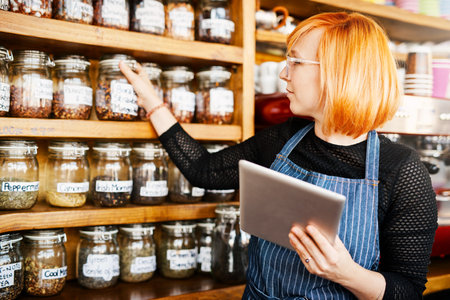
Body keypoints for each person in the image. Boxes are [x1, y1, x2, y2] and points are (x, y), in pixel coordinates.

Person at [119, 12, 437, 300]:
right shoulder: (284, 139)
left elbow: (407, 291)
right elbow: (204, 171)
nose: (284, 73)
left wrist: (346, 273)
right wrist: (151, 101)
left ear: (339, 74)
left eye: (296, 62)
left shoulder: (400, 170)